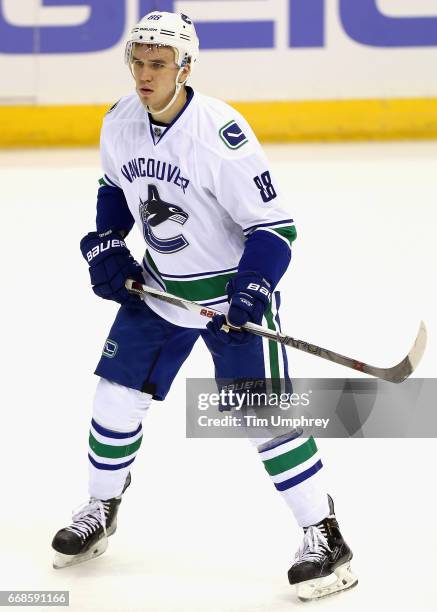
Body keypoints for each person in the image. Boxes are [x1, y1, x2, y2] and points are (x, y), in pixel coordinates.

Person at [51, 11, 357, 601]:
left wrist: (253, 289)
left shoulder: (221, 135)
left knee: (259, 416)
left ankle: (324, 534)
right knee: (114, 397)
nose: (144, 74)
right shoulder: (119, 121)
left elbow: (275, 228)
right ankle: (101, 506)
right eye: (137, 62)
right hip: (161, 288)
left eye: (158, 64)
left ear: (185, 67)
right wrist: (109, 245)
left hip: (228, 297)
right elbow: (114, 188)